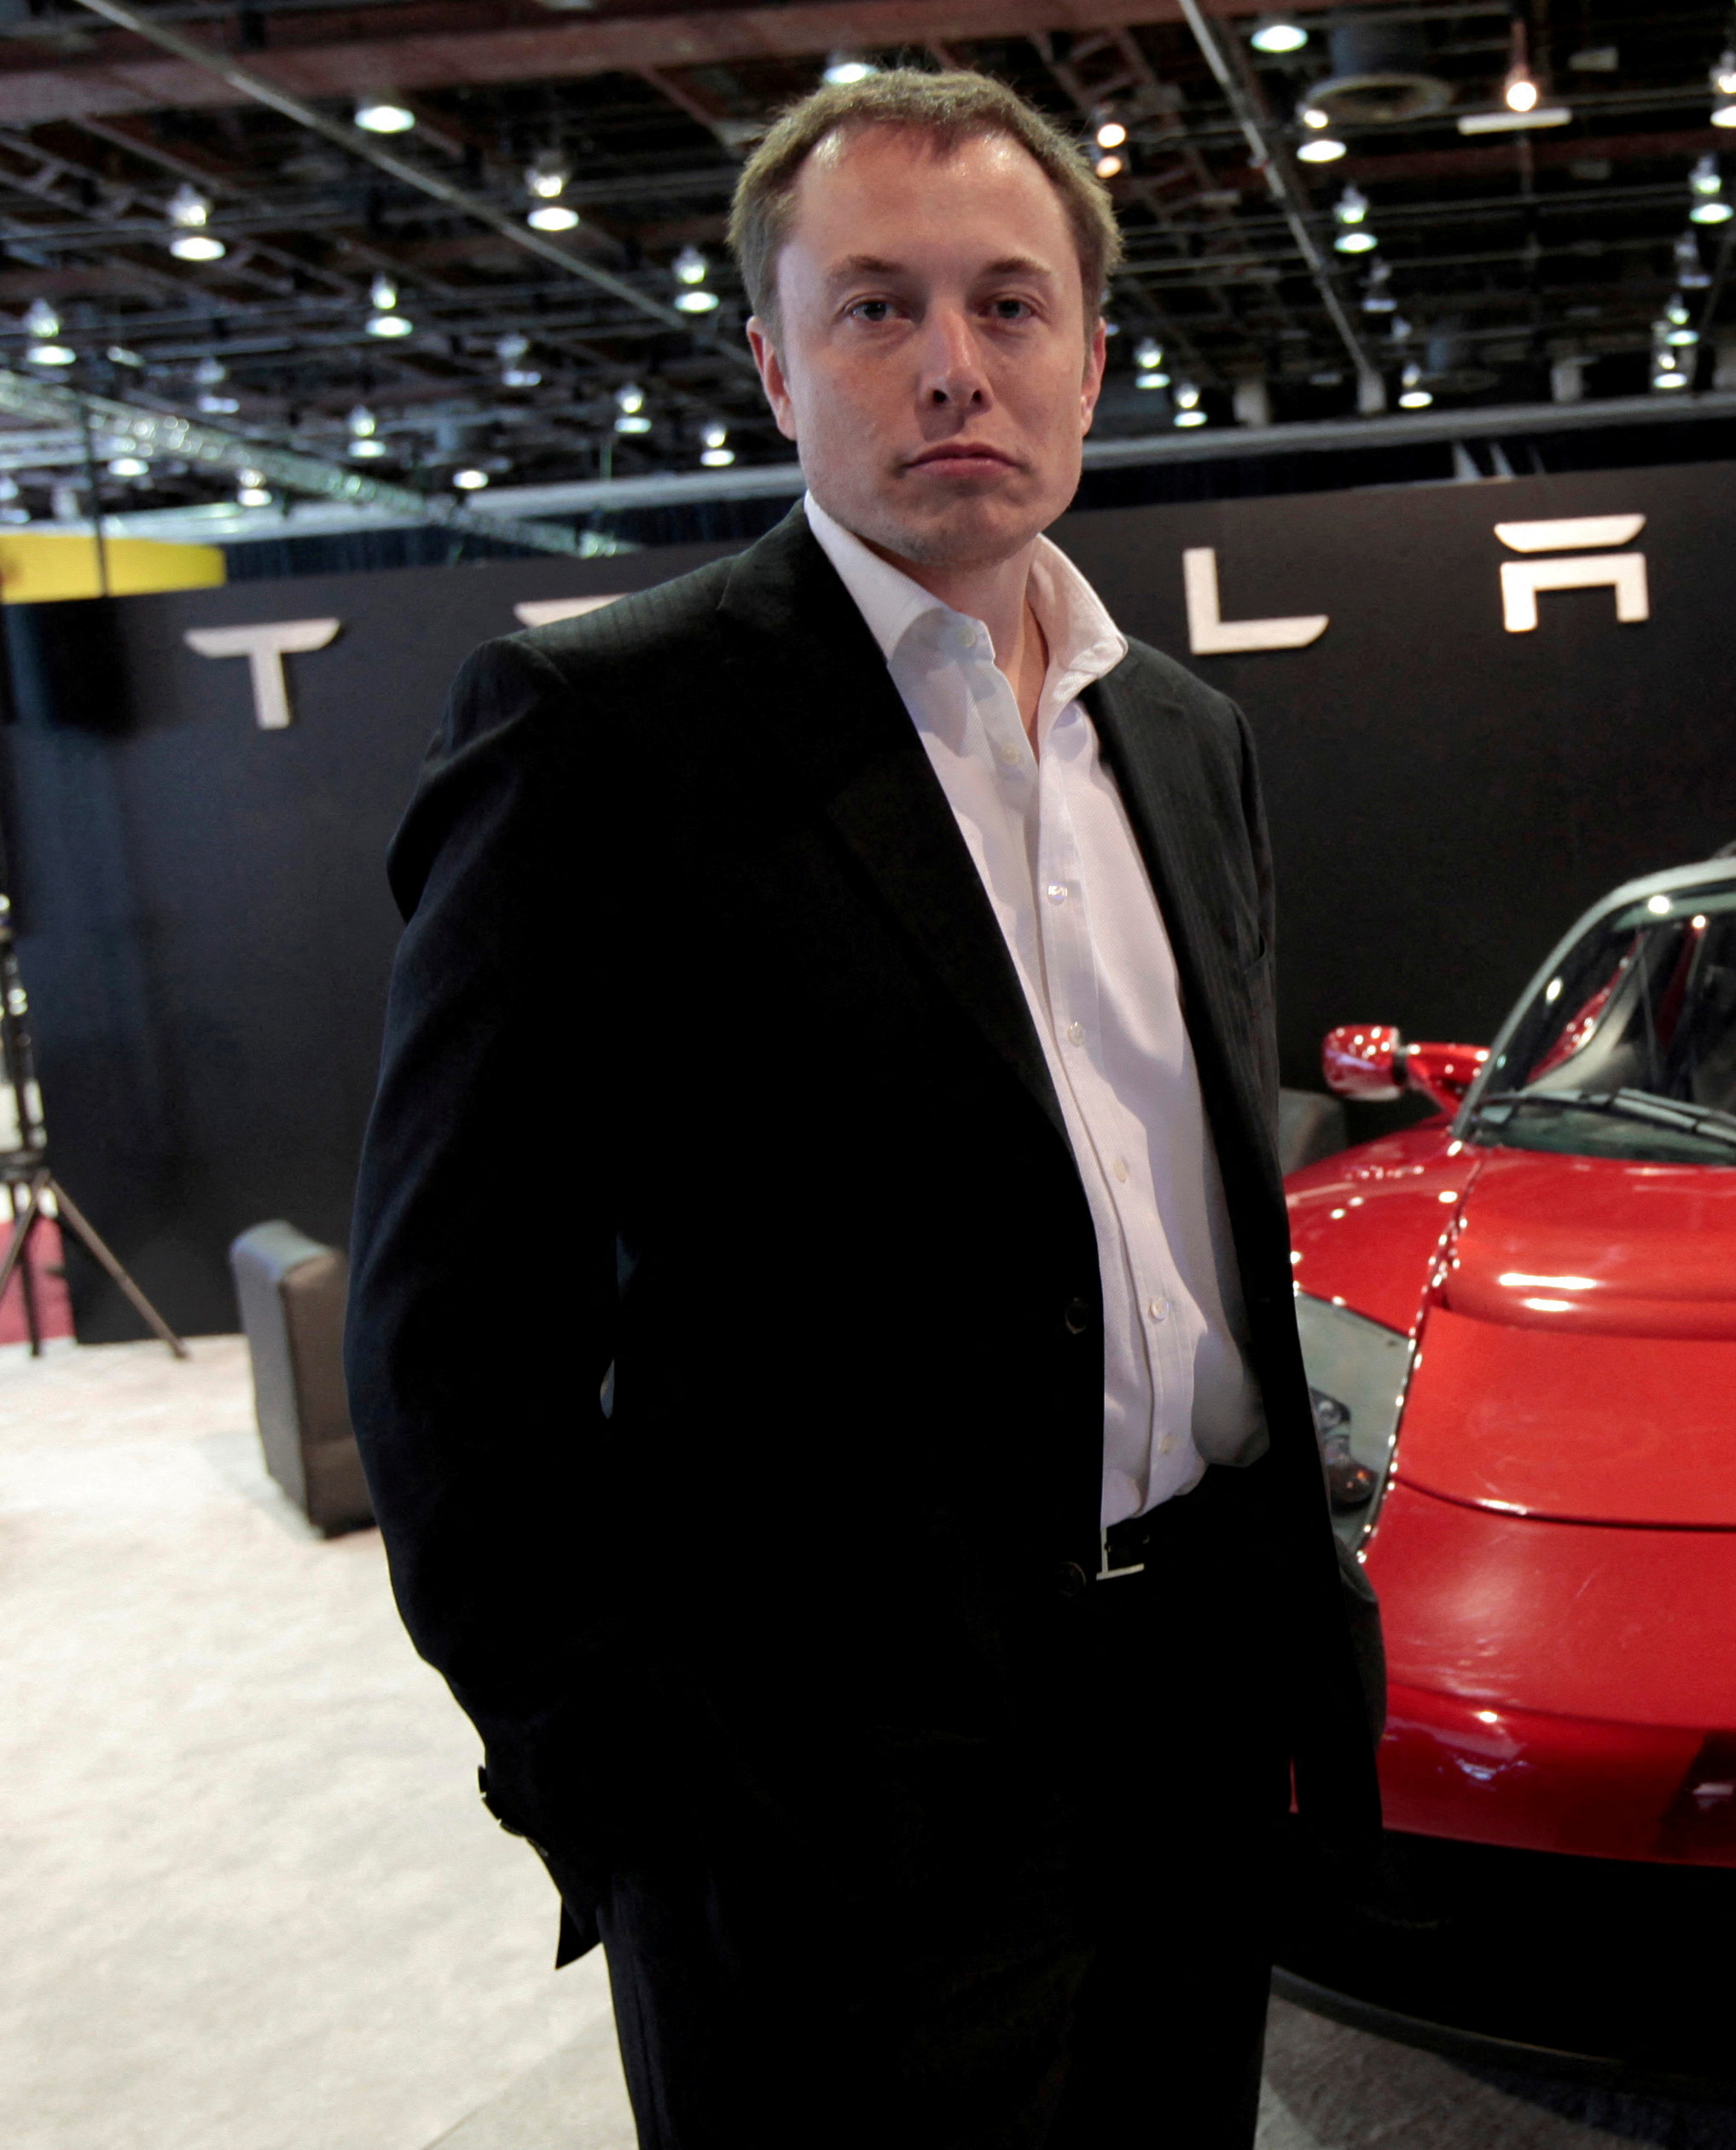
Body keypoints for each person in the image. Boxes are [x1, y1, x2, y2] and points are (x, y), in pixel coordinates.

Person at [345, 67, 1382, 2150]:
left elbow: (1195, 1230)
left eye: (1008, 306)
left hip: (1191, 1707)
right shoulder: (600, 734)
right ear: (773, 357)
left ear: (1092, 355)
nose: (950, 369)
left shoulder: (1180, 736)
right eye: (876, 308)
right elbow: (451, 1329)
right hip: (824, 1774)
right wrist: (615, 1769)